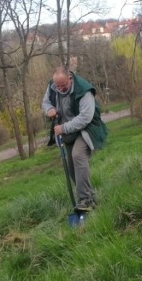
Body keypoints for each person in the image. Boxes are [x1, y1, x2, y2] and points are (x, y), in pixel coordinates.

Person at [42, 65, 108, 212]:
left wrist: (63, 128)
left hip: (87, 129)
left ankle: (84, 199)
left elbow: (86, 117)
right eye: (58, 86)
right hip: (68, 132)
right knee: (71, 166)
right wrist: (49, 109)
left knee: (78, 155)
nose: (60, 88)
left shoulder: (83, 90)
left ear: (70, 78)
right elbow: (46, 102)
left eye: (63, 85)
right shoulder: (53, 86)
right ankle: (90, 198)